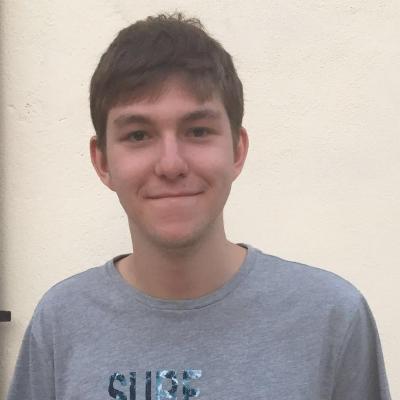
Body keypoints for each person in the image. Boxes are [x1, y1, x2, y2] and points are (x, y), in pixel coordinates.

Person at [7, 12, 392, 400]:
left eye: (197, 131)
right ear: (103, 161)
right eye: (138, 135)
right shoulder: (61, 322)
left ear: (237, 150)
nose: (171, 164)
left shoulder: (331, 319)